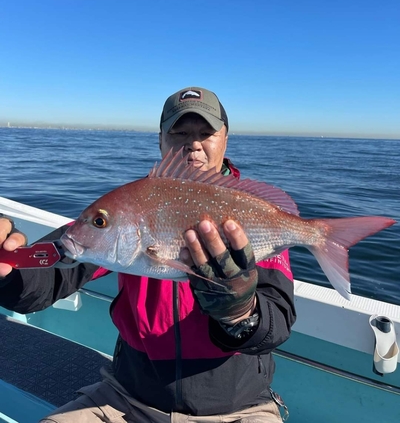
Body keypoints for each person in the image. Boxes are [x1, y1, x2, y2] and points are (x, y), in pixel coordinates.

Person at [0, 87, 296, 423]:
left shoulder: (249, 213)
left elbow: (278, 324)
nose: (193, 143)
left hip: (239, 408)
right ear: (161, 140)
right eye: (179, 132)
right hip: (127, 398)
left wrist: (242, 313)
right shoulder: (127, 206)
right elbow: (54, 268)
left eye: (206, 133)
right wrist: (9, 269)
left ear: (224, 139)